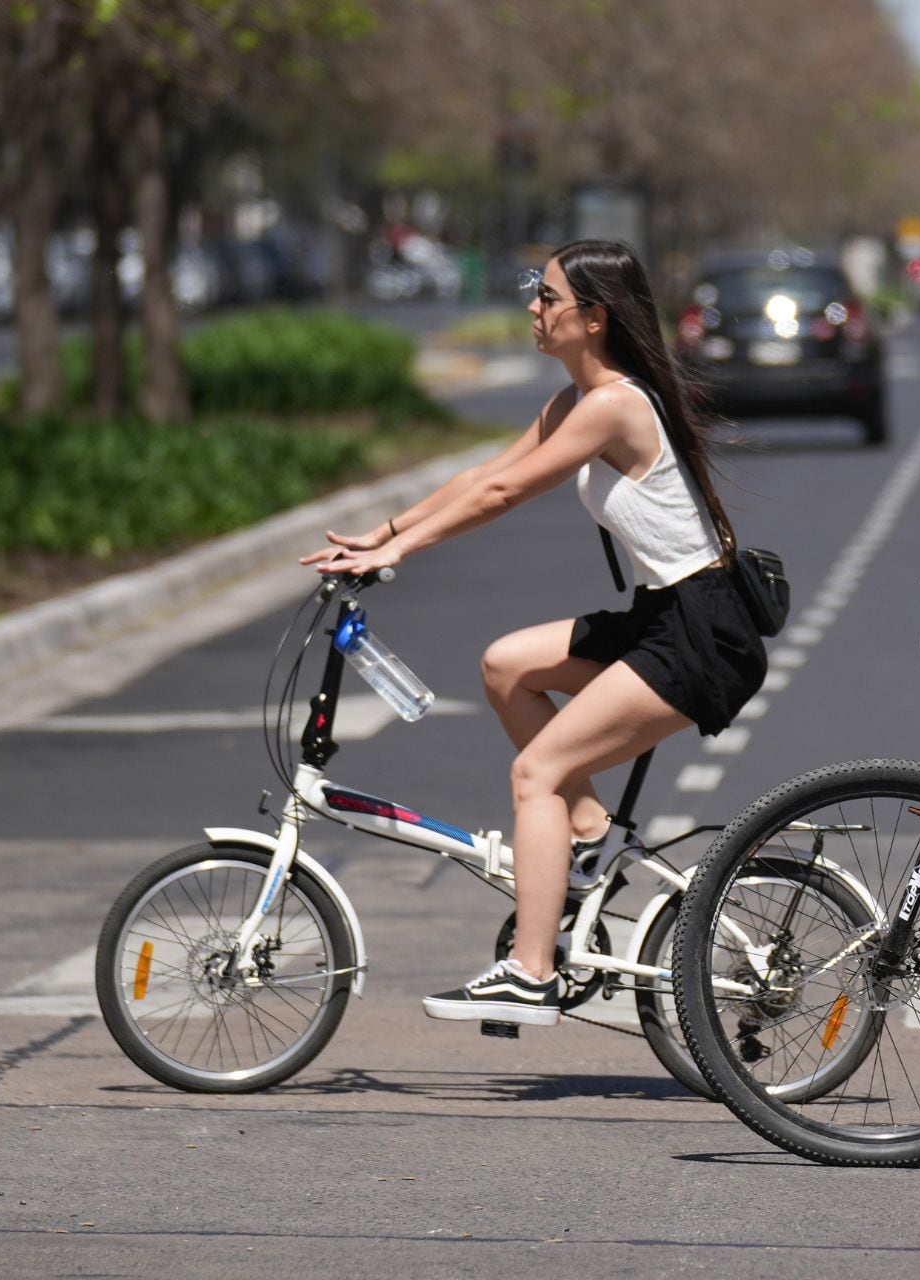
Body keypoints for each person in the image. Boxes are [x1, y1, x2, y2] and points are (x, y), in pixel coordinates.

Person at [305, 239, 767, 1026]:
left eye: (546, 296)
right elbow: (481, 476)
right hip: (663, 616)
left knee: (537, 775)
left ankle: (532, 970)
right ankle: (586, 835)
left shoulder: (616, 405)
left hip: (700, 631)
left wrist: (400, 553)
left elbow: (505, 495)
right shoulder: (573, 402)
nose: (533, 307)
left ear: (593, 318)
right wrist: (380, 534)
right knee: (506, 666)